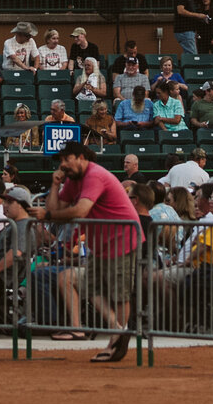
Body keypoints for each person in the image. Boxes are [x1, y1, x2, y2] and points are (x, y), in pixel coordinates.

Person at [46, 138, 143, 362]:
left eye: (66, 160)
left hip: (122, 237)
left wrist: (48, 216)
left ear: (81, 158)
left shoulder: (94, 175)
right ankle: (119, 330)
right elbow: (54, 207)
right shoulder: (74, 179)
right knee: (89, 288)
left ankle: (115, 342)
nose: (63, 165)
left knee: (119, 294)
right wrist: (54, 185)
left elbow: (79, 210)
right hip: (100, 241)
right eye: (60, 161)